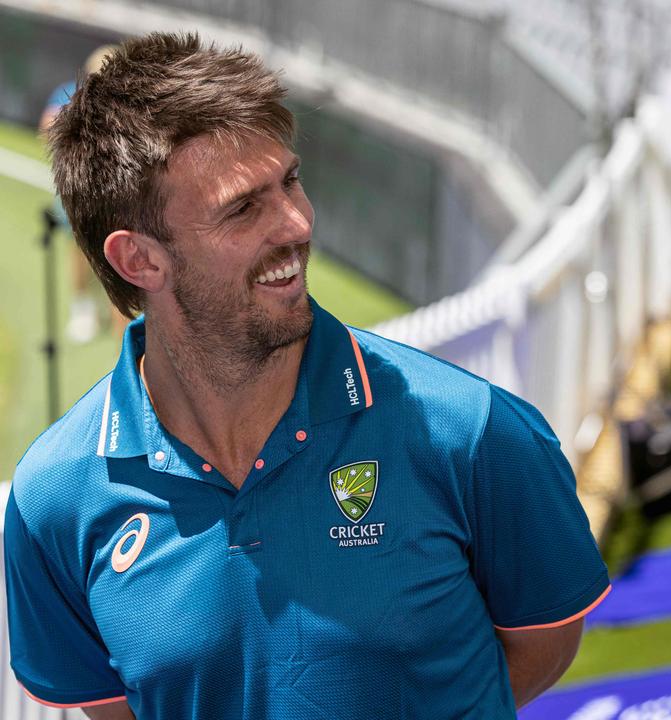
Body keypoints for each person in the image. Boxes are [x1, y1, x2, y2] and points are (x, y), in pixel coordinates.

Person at [6, 32, 609, 719]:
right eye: (243, 208)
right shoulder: (52, 501)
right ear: (139, 260)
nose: (296, 224)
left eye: (289, 182)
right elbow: (113, 707)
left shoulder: (471, 430)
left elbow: (543, 643)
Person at [40, 44, 127, 343]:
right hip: (80, 192)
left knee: (122, 267)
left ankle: (123, 344)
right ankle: (83, 308)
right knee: (80, 252)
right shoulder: (70, 94)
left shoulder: (126, 105)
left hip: (119, 198)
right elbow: (48, 130)